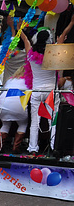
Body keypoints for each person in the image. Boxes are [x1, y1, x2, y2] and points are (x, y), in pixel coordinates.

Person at [21, 16, 74, 155]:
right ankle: (53, 147)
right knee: (53, 120)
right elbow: (62, 37)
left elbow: (25, 39)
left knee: (34, 122)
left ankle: (32, 148)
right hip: (51, 92)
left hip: (36, 91)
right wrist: (72, 22)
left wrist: (19, 27)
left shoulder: (30, 54)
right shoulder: (54, 54)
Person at [0, 66, 29, 154]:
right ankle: (16, 147)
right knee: (23, 123)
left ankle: (0, 146)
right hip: (18, 105)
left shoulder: (10, 80)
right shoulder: (29, 80)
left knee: (6, 124)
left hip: (2, 104)